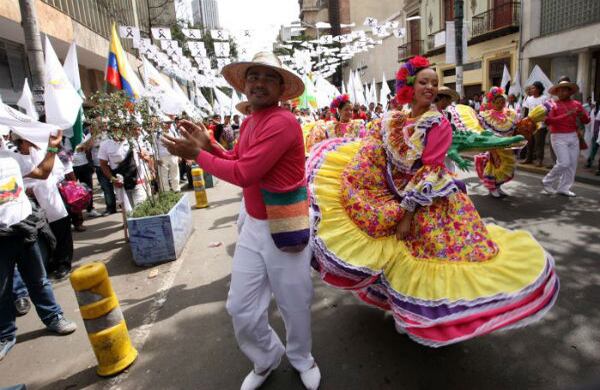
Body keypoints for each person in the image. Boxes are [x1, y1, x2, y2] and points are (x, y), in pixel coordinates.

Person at [306, 55, 558, 348]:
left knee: (433, 260)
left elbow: (431, 171)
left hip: (427, 203)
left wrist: (408, 213)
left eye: (434, 83)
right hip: (394, 196)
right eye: (423, 82)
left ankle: (424, 316)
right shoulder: (396, 118)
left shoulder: (438, 122)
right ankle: (401, 307)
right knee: (392, 259)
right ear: (409, 87)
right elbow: (378, 152)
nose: (430, 87)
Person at [162, 51, 320, 390]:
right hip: (253, 223)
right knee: (240, 307)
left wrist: (197, 154)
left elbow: (245, 173)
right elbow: (237, 158)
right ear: (244, 85)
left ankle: (302, 358)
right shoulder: (250, 121)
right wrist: (211, 145)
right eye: (253, 76)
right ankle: (266, 357)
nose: (259, 83)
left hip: (285, 223)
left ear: (281, 88)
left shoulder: (282, 122)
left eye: (268, 77)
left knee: (294, 302)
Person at [0, 130, 77, 361]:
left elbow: (43, 173)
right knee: (2, 289)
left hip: (24, 230)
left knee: (39, 280)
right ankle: (5, 335)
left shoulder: (13, 159)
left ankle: (54, 317)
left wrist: (53, 147)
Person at [13, 133, 74, 279]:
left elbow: (59, 172)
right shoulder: (15, 158)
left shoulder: (44, 153)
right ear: (21, 143)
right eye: (27, 140)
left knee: (61, 230)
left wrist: (41, 185)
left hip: (50, 196)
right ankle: (50, 262)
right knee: (42, 235)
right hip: (30, 202)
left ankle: (64, 263)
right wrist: (28, 189)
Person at [542, 78, 590, 197]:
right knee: (564, 163)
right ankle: (547, 181)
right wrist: (566, 114)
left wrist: (582, 114)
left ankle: (564, 187)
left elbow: (587, 120)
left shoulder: (577, 104)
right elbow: (548, 121)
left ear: (570, 92)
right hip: (558, 136)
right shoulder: (551, 104)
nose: (562, 93)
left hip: (573, 136)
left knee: (572, 164)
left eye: (565, 90)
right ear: (556, 92)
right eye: (559, 91)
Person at [474, 87, 519, 198]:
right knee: (495, 165)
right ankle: (492, 187)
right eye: (497, 102)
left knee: (508, 166)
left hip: (506, 146)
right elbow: (480, 128)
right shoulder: (487, 115)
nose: (500, 104)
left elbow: (513, 128)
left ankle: (498, 186)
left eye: (502, 102)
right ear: (493, 103)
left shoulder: (509, 114)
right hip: (494, 146)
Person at [522, 82, 549, 167]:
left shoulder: (545, 98)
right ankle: (528, 158)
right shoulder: (529, 99)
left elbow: (549, 110)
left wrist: (547, 120)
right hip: (530, 124)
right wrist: (525, 122)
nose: (531, 90)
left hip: (541, 125)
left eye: (533, 88)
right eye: (531, 88)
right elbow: (526, 111)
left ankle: (539, 160)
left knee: (539, 143)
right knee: (529, 142)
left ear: (539, 89)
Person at [156, 116, 181, 193]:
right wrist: (157, 158)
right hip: (162, 157)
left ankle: (176, 190)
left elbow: (177, 143)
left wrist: (179, 155)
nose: (169, 125)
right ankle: (166, 193)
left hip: (173, 156)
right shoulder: (157, 134)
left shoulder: (173, 132)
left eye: (170, 123)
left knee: (175, 174)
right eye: (167, 123)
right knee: (163, 176)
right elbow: (154, 147)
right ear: (162, 124)